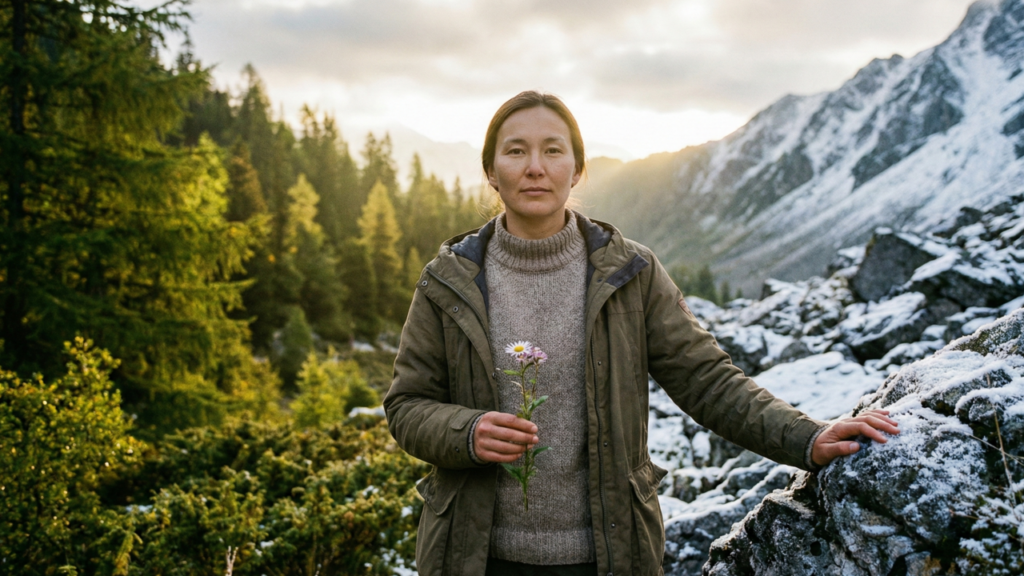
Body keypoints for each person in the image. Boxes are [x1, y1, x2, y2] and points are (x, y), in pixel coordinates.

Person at [383, 91, 899, 576]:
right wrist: (466, 433)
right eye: (516, 151)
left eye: (553, 150)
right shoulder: (449, 280)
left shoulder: (631, 272)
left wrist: (808, 437)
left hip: (609, 553)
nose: (535, 167)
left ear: (577, 169)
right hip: (476, 557)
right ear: (491, 172)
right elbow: (407, 406)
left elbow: (708, 381)